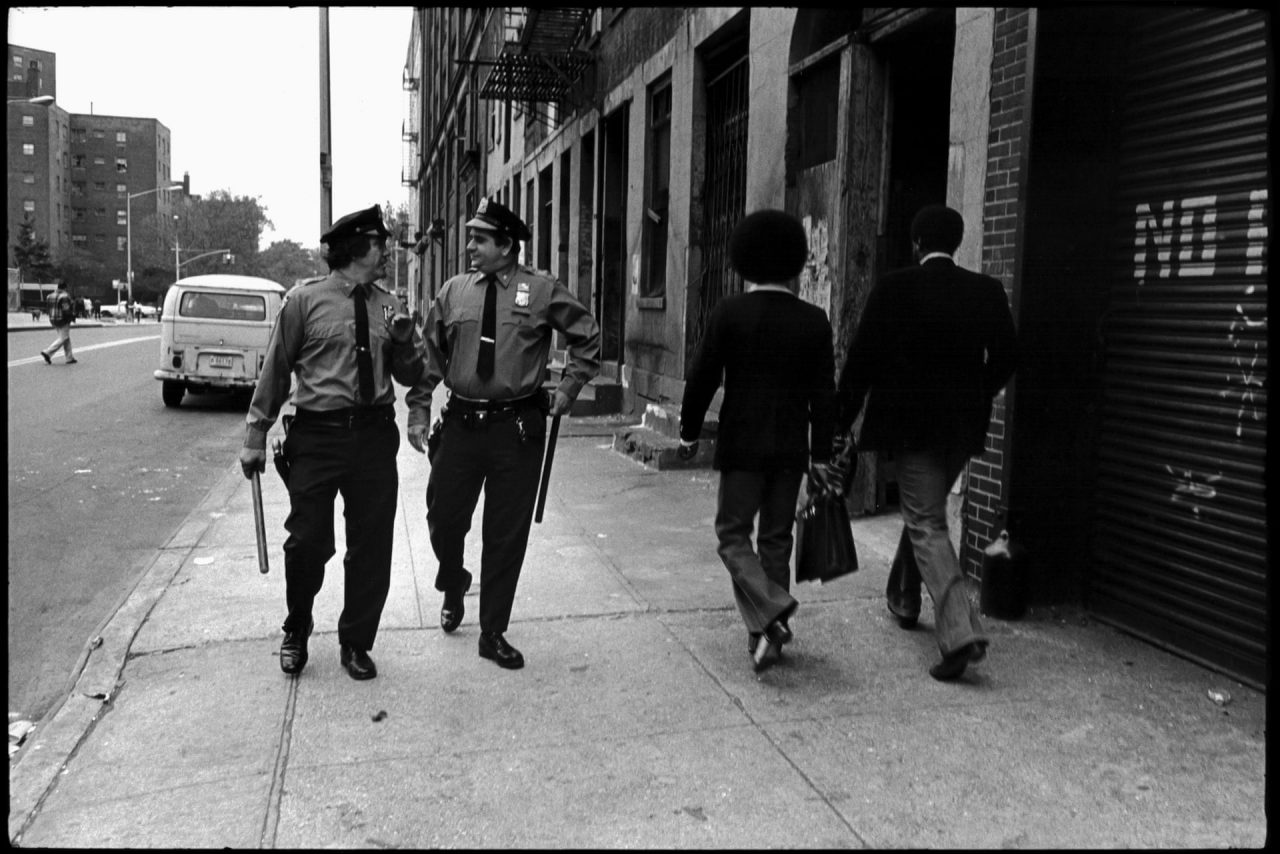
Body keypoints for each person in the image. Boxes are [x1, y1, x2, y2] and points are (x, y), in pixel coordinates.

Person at [406, 197, 601, 670]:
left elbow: (588, 335)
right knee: (443, 517)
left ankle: (492, 631)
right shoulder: (454, 292)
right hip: (461, 426)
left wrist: (569, 388)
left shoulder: (541, 290)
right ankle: (453, 581)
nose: (470, 245)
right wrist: (417, 409)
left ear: (506, 245)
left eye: (479, 238)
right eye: (471, 236)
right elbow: (430, 354)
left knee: (505, 534)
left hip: (516, 429)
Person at [238, 205, 425, 681]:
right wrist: (256, 433)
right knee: (307, 543)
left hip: (373, 436)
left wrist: (404, 343)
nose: (386, 251)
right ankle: (297, 628)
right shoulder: (304, 301)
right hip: (317, 437)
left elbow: (409, 376)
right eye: (380, 243)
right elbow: (277, 367)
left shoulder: (390, 305)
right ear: (358, 247)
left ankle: (356, 643)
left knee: (371, 547)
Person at [833, 204, 1017, 681]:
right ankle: (903, 597)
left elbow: (862, 360)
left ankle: (960, 633)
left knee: (925, 520)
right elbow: (1008, 357)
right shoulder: (986, 291)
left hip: (912, 428)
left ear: (916, 243)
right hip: (962, 429)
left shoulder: (895, 287)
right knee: (924, 512)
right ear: (956, 243)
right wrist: (979, 392)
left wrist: (838, 422)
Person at [677, 209, 839, 673]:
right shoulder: (814, 320)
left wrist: (689, 431)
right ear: (795, 261)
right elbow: (823, 396)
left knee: (732, 537)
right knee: (775, 540)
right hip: (791, 450)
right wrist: (822, 454)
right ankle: (766, 636)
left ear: (742, 260)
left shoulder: (729, 312)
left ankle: (769, 612)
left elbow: (702, 377)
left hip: (741, 447)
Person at [39, 282, 78, 365]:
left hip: (53, 319)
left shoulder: (49, 296)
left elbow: (47, 308)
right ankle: (48, 352)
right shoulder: (64, 296)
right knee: (64, 337)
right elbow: (66, 309)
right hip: (62, 319)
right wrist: (72, 317)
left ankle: (69, 358)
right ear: (65, 288)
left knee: (65, 338)